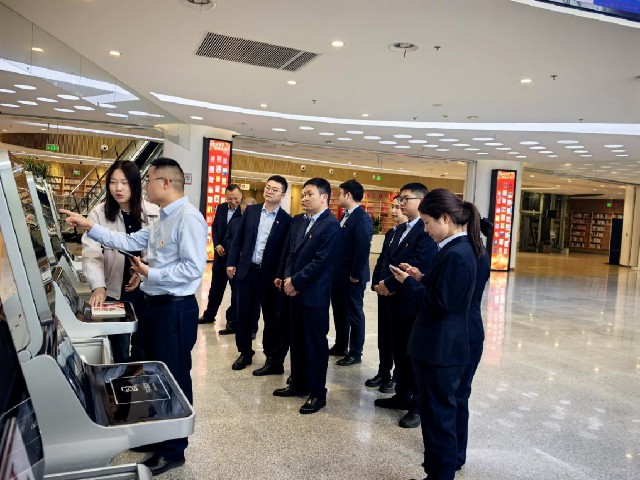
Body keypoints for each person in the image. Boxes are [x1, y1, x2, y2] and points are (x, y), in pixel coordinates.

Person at [61, 158, 207, 476]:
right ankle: (158, 434)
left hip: (174, 310)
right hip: (153, 307)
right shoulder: (162, 219)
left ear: (165, 183)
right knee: (152, 374)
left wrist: (149, 272)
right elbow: (127, 242)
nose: (146, 186)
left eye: (149, 179)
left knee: (174, 376)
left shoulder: (188, 218)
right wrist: (89, 226)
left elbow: (193, 269)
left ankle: (174, 448)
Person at [389, 188, 484, 480]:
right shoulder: (457, 249)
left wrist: (409, 284)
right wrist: (421, 277)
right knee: (437, 416)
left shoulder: (457, 253)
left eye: (428, 223)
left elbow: (442, 304)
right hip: (439, 347)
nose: (426, 230)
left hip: (440, 349)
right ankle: (437, 471)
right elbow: (446, 290)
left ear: (445, 218)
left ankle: (440, 474)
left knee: (438, 419)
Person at [272, 178, 340, 415]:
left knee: (314, 345)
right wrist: (286, 277)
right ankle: (298, 383)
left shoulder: (331, 225)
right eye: (302, 195)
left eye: (310, 194)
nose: (304, 198)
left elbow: (321, 262)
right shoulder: (300, 221)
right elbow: (291, 252)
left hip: (314, 296)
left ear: (324, 197)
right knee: (297, 341)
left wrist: (296, 282)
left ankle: (317, 393)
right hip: (294, 291)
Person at [373, 183, 437, 429]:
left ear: (421, 201)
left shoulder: (426, 230)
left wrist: (389, 285)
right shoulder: (399, 229)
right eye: (400, 198)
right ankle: (402, 394)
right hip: (392, 301)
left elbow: (418, 263)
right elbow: (387, 261)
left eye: (405, 199)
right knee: (398, 350)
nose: (400, 203)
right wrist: (380, 285)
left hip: (410, 301)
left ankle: (417, 406)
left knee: (413, 356)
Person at [82, 160, 159, 363]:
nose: (118, 188)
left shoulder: (153, 212)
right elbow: (92, 253)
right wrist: (98, 286)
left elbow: (157, 251)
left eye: (124, 182)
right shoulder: (98, 214)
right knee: (119, 346)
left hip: (145, 289)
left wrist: (142, 273)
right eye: (113, 182)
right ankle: (121, 378)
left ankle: (139, 377)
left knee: (143, 344)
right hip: (114, 289)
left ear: (135, 184)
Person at [226, 176, 292, 374]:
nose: (269, 191)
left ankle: (271, 357)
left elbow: (284, 252)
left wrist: (280, 275)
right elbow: (238, 238)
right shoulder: (252, 211)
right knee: (243, 315)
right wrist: (231, 262)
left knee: (271, 318)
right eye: (268, 187)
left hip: (269, 276)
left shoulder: (286, 220)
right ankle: (245, 352)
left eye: (275, 189)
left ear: (282, 195)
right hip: (246, 271)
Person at [454, 220, 490, 471]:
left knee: (457, 396)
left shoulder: (465, 254)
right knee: (459, 395)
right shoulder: (477, 250)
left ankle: (455, 453)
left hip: (465, 333)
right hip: (471, 329)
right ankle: (454, 451)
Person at [329, 180, 373, 366]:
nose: (338, 197)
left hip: (352, 277)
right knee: (340, 312)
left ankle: (355, 352)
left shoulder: (361, 218)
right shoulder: (346, 216)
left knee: (354, 314)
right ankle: (341, 345)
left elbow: (362, 249)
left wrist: (355, 274)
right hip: (339, 275)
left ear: (348, 195)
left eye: (340, 194)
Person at [365, 195, 406, 392]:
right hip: (383, 291)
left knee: (397, 337)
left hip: (398, 292)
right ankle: (383, 371)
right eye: (393, 206)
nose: (393, 210)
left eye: (397, 207)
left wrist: (389, 285)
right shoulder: (391, 232)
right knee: (384, 336)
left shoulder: (413, 234)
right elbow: (382, 259)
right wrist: (376, 283)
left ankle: (397, 377)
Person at [199, 184, 243, 324]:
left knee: (236, 291)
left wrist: (230, 249)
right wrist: (217, 245)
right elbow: (215, 227)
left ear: (241, 196)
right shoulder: (221, 208)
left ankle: (233, 320)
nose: (233, 201)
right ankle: (209, 315)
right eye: (229, 199)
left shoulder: (245, 210)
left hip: (235, 259)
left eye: (235, 198)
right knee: (215, 288)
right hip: (220, 256)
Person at [217, 196, 259, 336]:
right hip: (236, 266)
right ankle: (233, 323)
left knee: (254, 299)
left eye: (247, 212)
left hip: (253, 267)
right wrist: (236, 247)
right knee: (236, 296)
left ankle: (252, 328)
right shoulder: (235, 222)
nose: (244, 214)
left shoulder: (260, 224)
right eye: (242, 211)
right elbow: (227, 239)